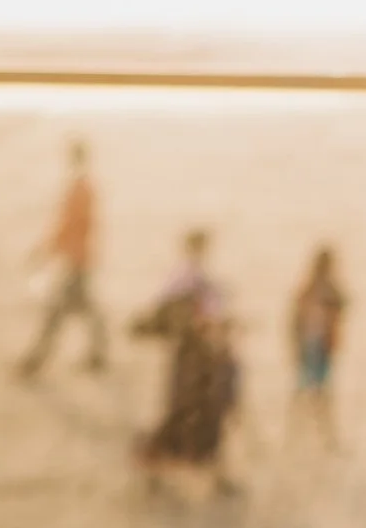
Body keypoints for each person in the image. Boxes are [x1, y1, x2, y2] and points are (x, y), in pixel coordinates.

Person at [131, 228, 243, 490]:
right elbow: (188, 317)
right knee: (191, 415)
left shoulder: (192, 277)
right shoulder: (186, 279)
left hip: (198, 358)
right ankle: (161, 470)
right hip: (193, 359)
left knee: (203, 417)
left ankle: (210, 476)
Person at [16, 138, 108, 380]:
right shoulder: (85, 187)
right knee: (85, 307)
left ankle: (34, 361)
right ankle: (98, 354)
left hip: (76, 259)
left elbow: (67, 226)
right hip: (81, 258)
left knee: (56, 313)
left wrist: (44, 251)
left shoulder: (79, 190)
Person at [289, 246, 349, 436]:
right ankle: (323, 430)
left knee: (308, 385)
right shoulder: (323, 289)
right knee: (318, 387)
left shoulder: (310, 288)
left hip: (314, 342)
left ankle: (305, 429)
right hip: (318, 342)